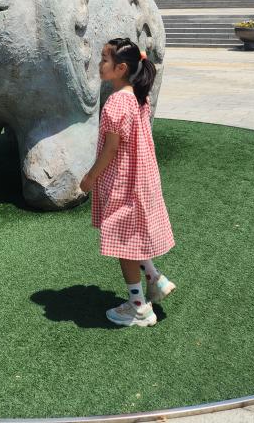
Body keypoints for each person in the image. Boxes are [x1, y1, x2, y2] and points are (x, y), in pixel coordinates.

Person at [80, 38, 175, 328]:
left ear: (121, 68)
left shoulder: (115, 103)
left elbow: (111, 148)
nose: (99, 64)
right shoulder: (138, 96)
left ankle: (139, 308)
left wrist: (90, 176)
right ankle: (155, 279)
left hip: (124, 183)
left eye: (104, 60)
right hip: (140, 180)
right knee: (132, 238)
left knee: (124, 245)